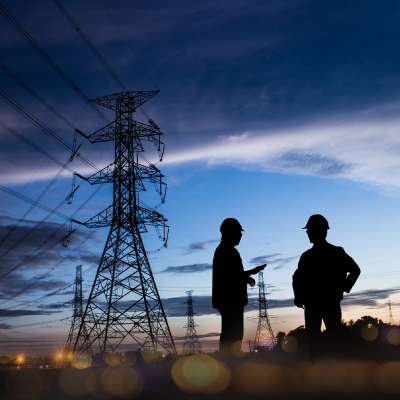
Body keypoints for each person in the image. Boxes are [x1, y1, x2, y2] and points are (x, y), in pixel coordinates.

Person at [292, 214, 361, 360]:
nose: (307, 233)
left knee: (329, 338)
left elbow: (355, 270)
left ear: (320, 231)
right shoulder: (309, 256)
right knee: (323, 339)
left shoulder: (331, 253)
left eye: (310, 230)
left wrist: (343, 287)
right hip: (320, 304)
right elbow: (297, 278)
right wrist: (298, 296)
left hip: (324, 304)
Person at [212, 218, 266, 356]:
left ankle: (229, 364)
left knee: (232, 335)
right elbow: (231, 276)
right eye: (238, 232)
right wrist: (251, 272)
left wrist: (246, 276)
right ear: (228, 232)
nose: (240, 235)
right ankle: (229, 365)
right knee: (233, 336)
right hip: (231, 302)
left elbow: (232, 274)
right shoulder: (227, 251)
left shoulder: (225, 251)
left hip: (229, 301)